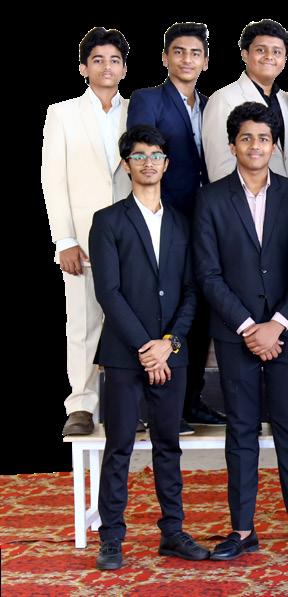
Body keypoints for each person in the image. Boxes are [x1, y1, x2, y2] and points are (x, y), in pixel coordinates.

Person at [194, 103, 288, 559]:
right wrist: (247, 327)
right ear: (232, 145)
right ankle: (241, 530)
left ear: (275, 146)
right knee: (241, 428)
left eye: (263, 138)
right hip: (233, 333)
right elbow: (208, 274)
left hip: (286, 332)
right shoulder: (210, 199)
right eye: (246, 138)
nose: (255, 146)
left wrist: (276, 324)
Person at [89, 125, 209, 570]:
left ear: (166, 163)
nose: (148, 163)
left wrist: (168, 344)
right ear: (127, 165)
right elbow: (109, 292)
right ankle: (111, 538)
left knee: (168, 445)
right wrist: (146, 346)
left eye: (155, 155)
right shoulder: (108, 221)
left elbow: (192, 291)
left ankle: (173, 532)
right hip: (125, 355)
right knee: (119, 445)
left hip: (171, 353)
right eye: (138, 156)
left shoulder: (181, 221)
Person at [127, 21, 226, 430]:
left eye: (195, 53)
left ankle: (191, 398)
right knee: (162, 307)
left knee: (200, 305)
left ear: (206, 61)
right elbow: (142, 150)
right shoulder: (148, 99)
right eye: (179, 52)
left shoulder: (212, 104)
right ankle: (158, 406)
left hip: (206, 219)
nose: (187, 60)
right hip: (164, 216)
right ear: (166, 57)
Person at [43, 26, 133, 436]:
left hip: (132, 234)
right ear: (83, 67)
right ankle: (81, 404)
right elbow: (53, 179)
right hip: (83, 236)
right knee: (83, 322)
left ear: (124, 68)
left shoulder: (138, 109)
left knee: (135, 318)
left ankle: (134, 403)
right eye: (98, 60)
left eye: (114, 60)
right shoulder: (61, 113)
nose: (106, 67)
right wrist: (65, 239)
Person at [203, 18, 288, 181]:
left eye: (277, 52)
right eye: (260, 50)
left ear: (284, 59)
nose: (269, 57)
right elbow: (220, 168)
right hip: (245, 195)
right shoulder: (222, 99)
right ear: (245, 54)